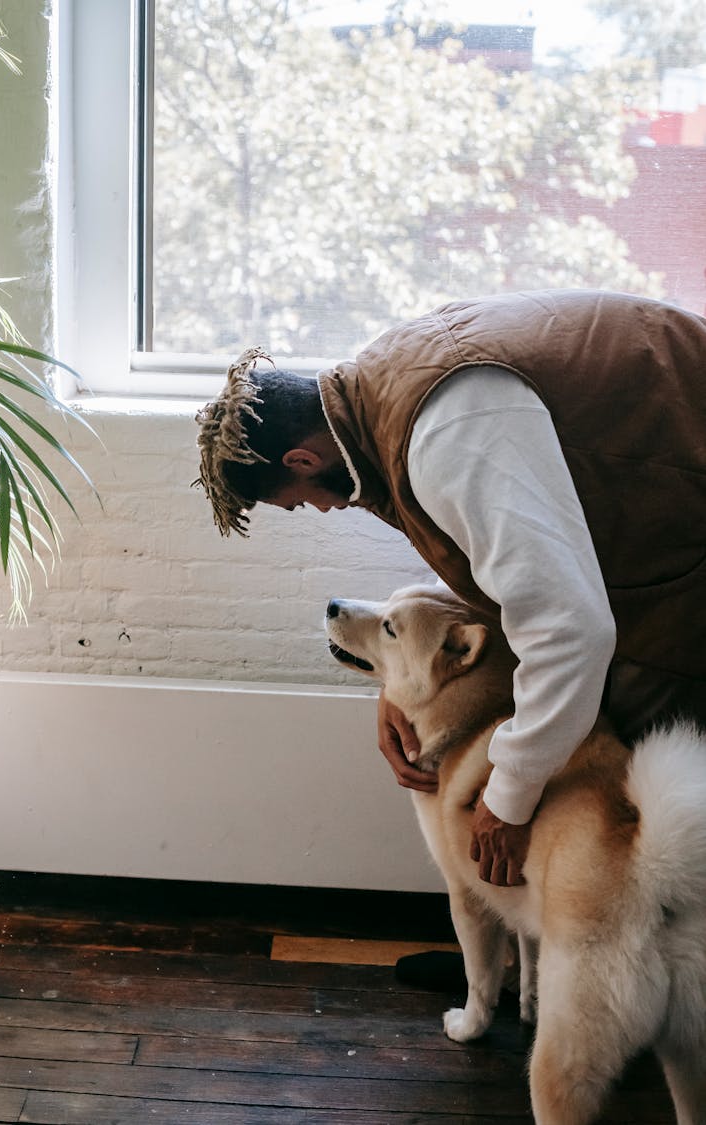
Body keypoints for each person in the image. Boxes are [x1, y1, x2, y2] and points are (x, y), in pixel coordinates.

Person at [195, 290, 706, 978]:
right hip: (660, 533)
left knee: (641, 794)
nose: (316, 509)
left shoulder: (442, 434)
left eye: (298, 502)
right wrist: (395, 679)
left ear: (302, 459)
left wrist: (508, 797)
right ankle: (566, 968)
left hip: (679, 548)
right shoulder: (387, 388)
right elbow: (494, 560)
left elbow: (571, 628)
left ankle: (629, 995)